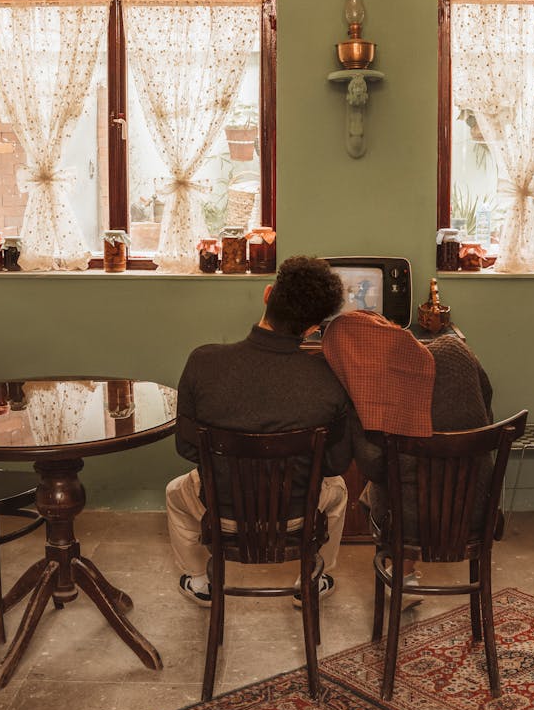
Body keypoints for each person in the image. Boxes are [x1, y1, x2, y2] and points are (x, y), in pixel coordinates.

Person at [167, 255, 352, 608]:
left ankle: (200, 580)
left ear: (268, 294)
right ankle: (311, 577)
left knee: (176, 492)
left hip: (222, 515)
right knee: (339, 489)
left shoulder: (202, 361)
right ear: (313, 327)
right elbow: (335, 464)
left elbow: (187, 448)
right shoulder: (329, 379)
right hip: (297, 516)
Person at [322, 310, 494, 593]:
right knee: (417, 475)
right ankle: (405, 573)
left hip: (409, 523)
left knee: (385, 485)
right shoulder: (455, 350)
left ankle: (401, 575)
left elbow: (374, 468)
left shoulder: (365, 393)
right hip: (475, 511)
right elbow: (486, 414)